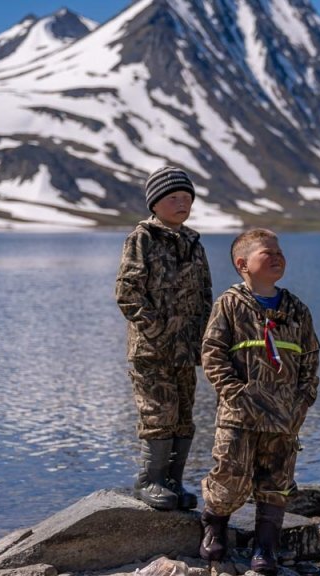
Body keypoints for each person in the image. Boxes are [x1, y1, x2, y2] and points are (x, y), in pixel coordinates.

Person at [198, 228, 320, 568]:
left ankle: (264, 546)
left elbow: (311, 358)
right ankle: (214, 525)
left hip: (284, 414)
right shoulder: (230, 304)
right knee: (230, 476)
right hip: (240, 414)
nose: (278, 256)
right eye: (267, 252)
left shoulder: (296, 309)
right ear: (242, 264)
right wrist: (235, 394)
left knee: (276, 481)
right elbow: (212, 354)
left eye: (279, 250)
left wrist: (304, 398)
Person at [116, 165, 213, 511]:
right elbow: (128, 293)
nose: (182, 203)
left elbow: (204, 295)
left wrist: (204, 336)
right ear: (155, 203)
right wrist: (156, 332)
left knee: (184, 414)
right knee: (157, 412)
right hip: (151, 349)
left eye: (187, 197)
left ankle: (174, 481)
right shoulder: (141, 238)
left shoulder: (194, 242)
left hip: (187, 350)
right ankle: (149, 480)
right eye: (173, 197)